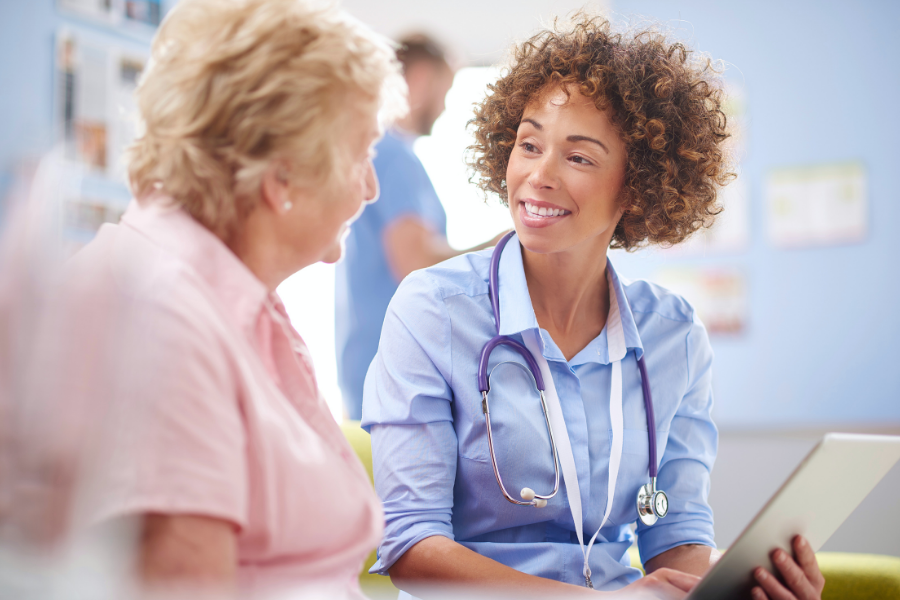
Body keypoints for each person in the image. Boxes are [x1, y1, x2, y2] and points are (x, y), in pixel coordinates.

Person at [361, 15, 825, 600]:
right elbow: (411, 547)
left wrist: (745, 585)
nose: (539, 175)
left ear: (637, 187)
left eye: (578, 158)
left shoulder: (672, 335)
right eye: (528, 145)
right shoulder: (433, 309)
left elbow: (675, 535)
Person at [10, 0, 406, 597]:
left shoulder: (229, 298)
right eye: (362, 155)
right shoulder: (166, 313)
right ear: (283, 177)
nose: (372, 187)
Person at [335, 34, 504, 421]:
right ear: (423, 79)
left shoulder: (383, 153)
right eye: (445, 90)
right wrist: (496, 248)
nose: (445, 105)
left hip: (372, 370)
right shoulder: (393, 156)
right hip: (391, 377)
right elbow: (414, 262)